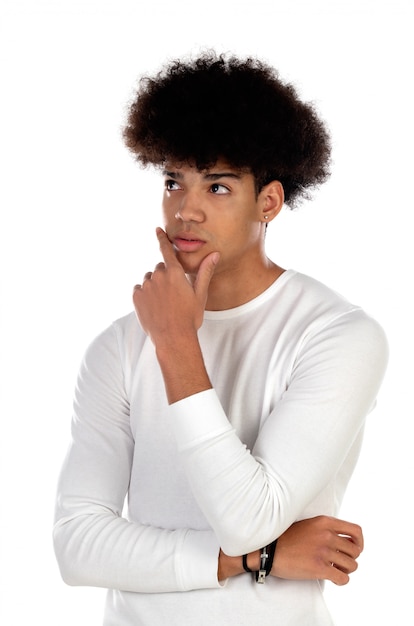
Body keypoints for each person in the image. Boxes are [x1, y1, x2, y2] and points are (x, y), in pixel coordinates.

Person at [53, 52, 388, 625]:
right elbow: (77, 546)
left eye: (218, 187)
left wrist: (178, 343)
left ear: (270, 202)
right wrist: (261, 558)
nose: (186, 209)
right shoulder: (118, 345)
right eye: (173, 181)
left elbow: (247, 517)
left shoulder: (337, 335)